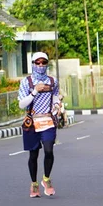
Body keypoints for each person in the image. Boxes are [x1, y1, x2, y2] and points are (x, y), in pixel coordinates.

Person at [17, 52, 61, 198]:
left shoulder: (52, 81)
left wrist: (56, 105)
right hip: (32, 122)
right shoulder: (26, 82)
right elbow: (21, 104)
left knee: (49, 150)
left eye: (43, 62)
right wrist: (35, 91)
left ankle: (46, 179)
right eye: (38, 63)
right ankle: (34, 183)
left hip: (48, 121)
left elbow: (55, 95)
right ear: (33, 64)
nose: (41, 65)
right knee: (33, 154)